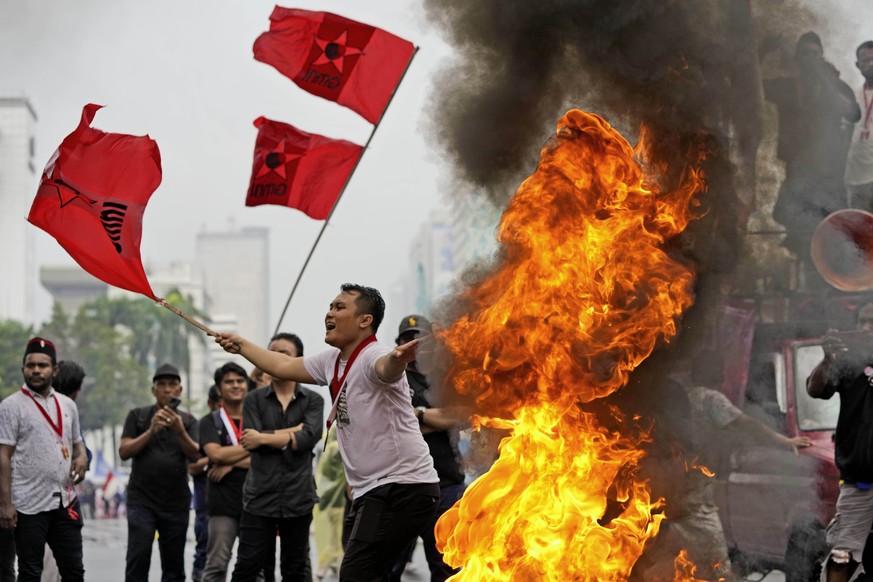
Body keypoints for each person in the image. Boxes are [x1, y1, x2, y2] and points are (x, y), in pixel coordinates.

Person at [216, 284, 440, 581]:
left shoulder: (375, 355)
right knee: (374, 573)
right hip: (374, 490)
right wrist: (240, 344)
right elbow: (282, 365)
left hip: (402, 487)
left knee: (355, 574)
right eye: (330, 307)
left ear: (365, 320)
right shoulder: (331, 362)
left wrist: (398, 359)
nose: (329, 313)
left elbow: (386, 368)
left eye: (339, 307)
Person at [228, 332, 322, 582]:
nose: (276, 359)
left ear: (299, 359)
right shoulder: (253, 399)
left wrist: (265, 437)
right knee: (247, 567)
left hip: (298, 498)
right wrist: (293, 433)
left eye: (284, 354)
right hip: (259, 498)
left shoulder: (313, 399)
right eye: (272, 353)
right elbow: (250, 442)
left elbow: (310, 437)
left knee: (295, 569)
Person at [763, 31, 861, 270]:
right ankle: (802, 277)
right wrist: (760, 53)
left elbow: (853, 113)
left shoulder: (836, 86)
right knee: (793, 221)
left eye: (815, 54)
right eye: (805, 55)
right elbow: (752, 85)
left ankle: (832, 283)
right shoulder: (787, 87)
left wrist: (826, 80)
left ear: (822, 56)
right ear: (797, 59)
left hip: (830, 171)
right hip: (799, 168)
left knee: (832, 225)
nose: (810, 59)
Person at [0, 337, 88, 582]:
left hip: (65, 501)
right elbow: (3, 456)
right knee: (30, 572)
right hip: (28, 504)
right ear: (23, 369)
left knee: (74, 572)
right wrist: (5, 505)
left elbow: (77, 442)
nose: (36, 370)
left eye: (43, 365)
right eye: (31, 365)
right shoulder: (11, 406)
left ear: (54, 369)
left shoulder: (68, 405)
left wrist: (81, 457)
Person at [389, 315, 467, 582]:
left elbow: (456, 416)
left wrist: (417, 414)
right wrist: (436, 418)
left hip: (447, 485)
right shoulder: (392, 379)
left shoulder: (448, 379)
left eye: (421, 338)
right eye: (408, 339)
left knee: (447, 566)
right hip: (402, 487)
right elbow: (394, 424)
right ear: (399, 345)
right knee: (388, 568)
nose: (416, 345)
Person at [807, 301, 873, 582]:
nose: (866, 328)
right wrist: (828, 358)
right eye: (862, 321)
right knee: (843, 556)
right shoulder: (848, 362)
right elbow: (816, 389)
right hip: (860, 483)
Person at [119, 363, 200, 582]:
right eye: (161, 385)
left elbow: (196, 455)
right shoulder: (138, 416)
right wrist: (150, 431)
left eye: (172, 385)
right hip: (141, 501)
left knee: (173, 566)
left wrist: (179, 429)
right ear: (153, 390)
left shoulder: (190, 421)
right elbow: (124, 452)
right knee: (138, 558)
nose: (167, 390)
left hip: (176, 503)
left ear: (179, 391)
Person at [199, 363, 251, 582]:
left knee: (253, 566)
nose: (235, 385)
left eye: (240, 381)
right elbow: (215, 455)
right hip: (222, 506)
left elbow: (267, 457)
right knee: (217, 565)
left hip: (255, 503)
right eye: (229, 382)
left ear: (247, 385)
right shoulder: (209, 421)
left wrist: (231, 463)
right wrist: (253, 447)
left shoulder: (257, 417)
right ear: (219, 389)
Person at [42, 359, 90, 582]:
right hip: (53, 503)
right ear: (76, 389)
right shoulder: (64, 414)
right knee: (54, 569)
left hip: (41, 504)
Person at [191, 384, 222, 582]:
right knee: (204, 554)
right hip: (205, 504)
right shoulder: (205, 425)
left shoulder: (245, 420)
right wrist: (216, 458)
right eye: (221, 402)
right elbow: (193, 466)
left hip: (234, 502)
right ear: (211, 404)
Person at [846, 41, 873, 210]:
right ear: (858, 65)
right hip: (856, 177)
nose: (871, 64)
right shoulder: (852, 96)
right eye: (865, 60)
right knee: (860, 232)